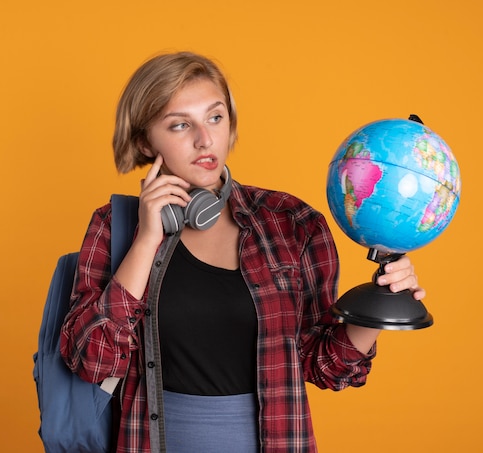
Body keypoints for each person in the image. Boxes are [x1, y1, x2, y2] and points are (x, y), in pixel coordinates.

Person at [60, 51, 426, 453]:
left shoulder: (292, 223)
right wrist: (147, 239)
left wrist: (378, 304)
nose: (205, 139)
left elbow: (323, 365)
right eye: (181, 125)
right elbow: (92, 361)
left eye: (215, 118)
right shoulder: (116, 226)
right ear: (146, 139)